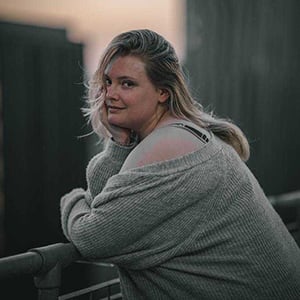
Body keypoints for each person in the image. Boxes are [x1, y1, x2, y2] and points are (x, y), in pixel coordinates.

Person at [60, 29, 300, 300]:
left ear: (162, 92)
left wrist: (72, 200)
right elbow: (109, 203)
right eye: (108, 81)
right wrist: (120, 143)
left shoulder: (164, 148)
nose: (110, 94)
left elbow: (92, 238)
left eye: (127, 84)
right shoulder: (187, 132)